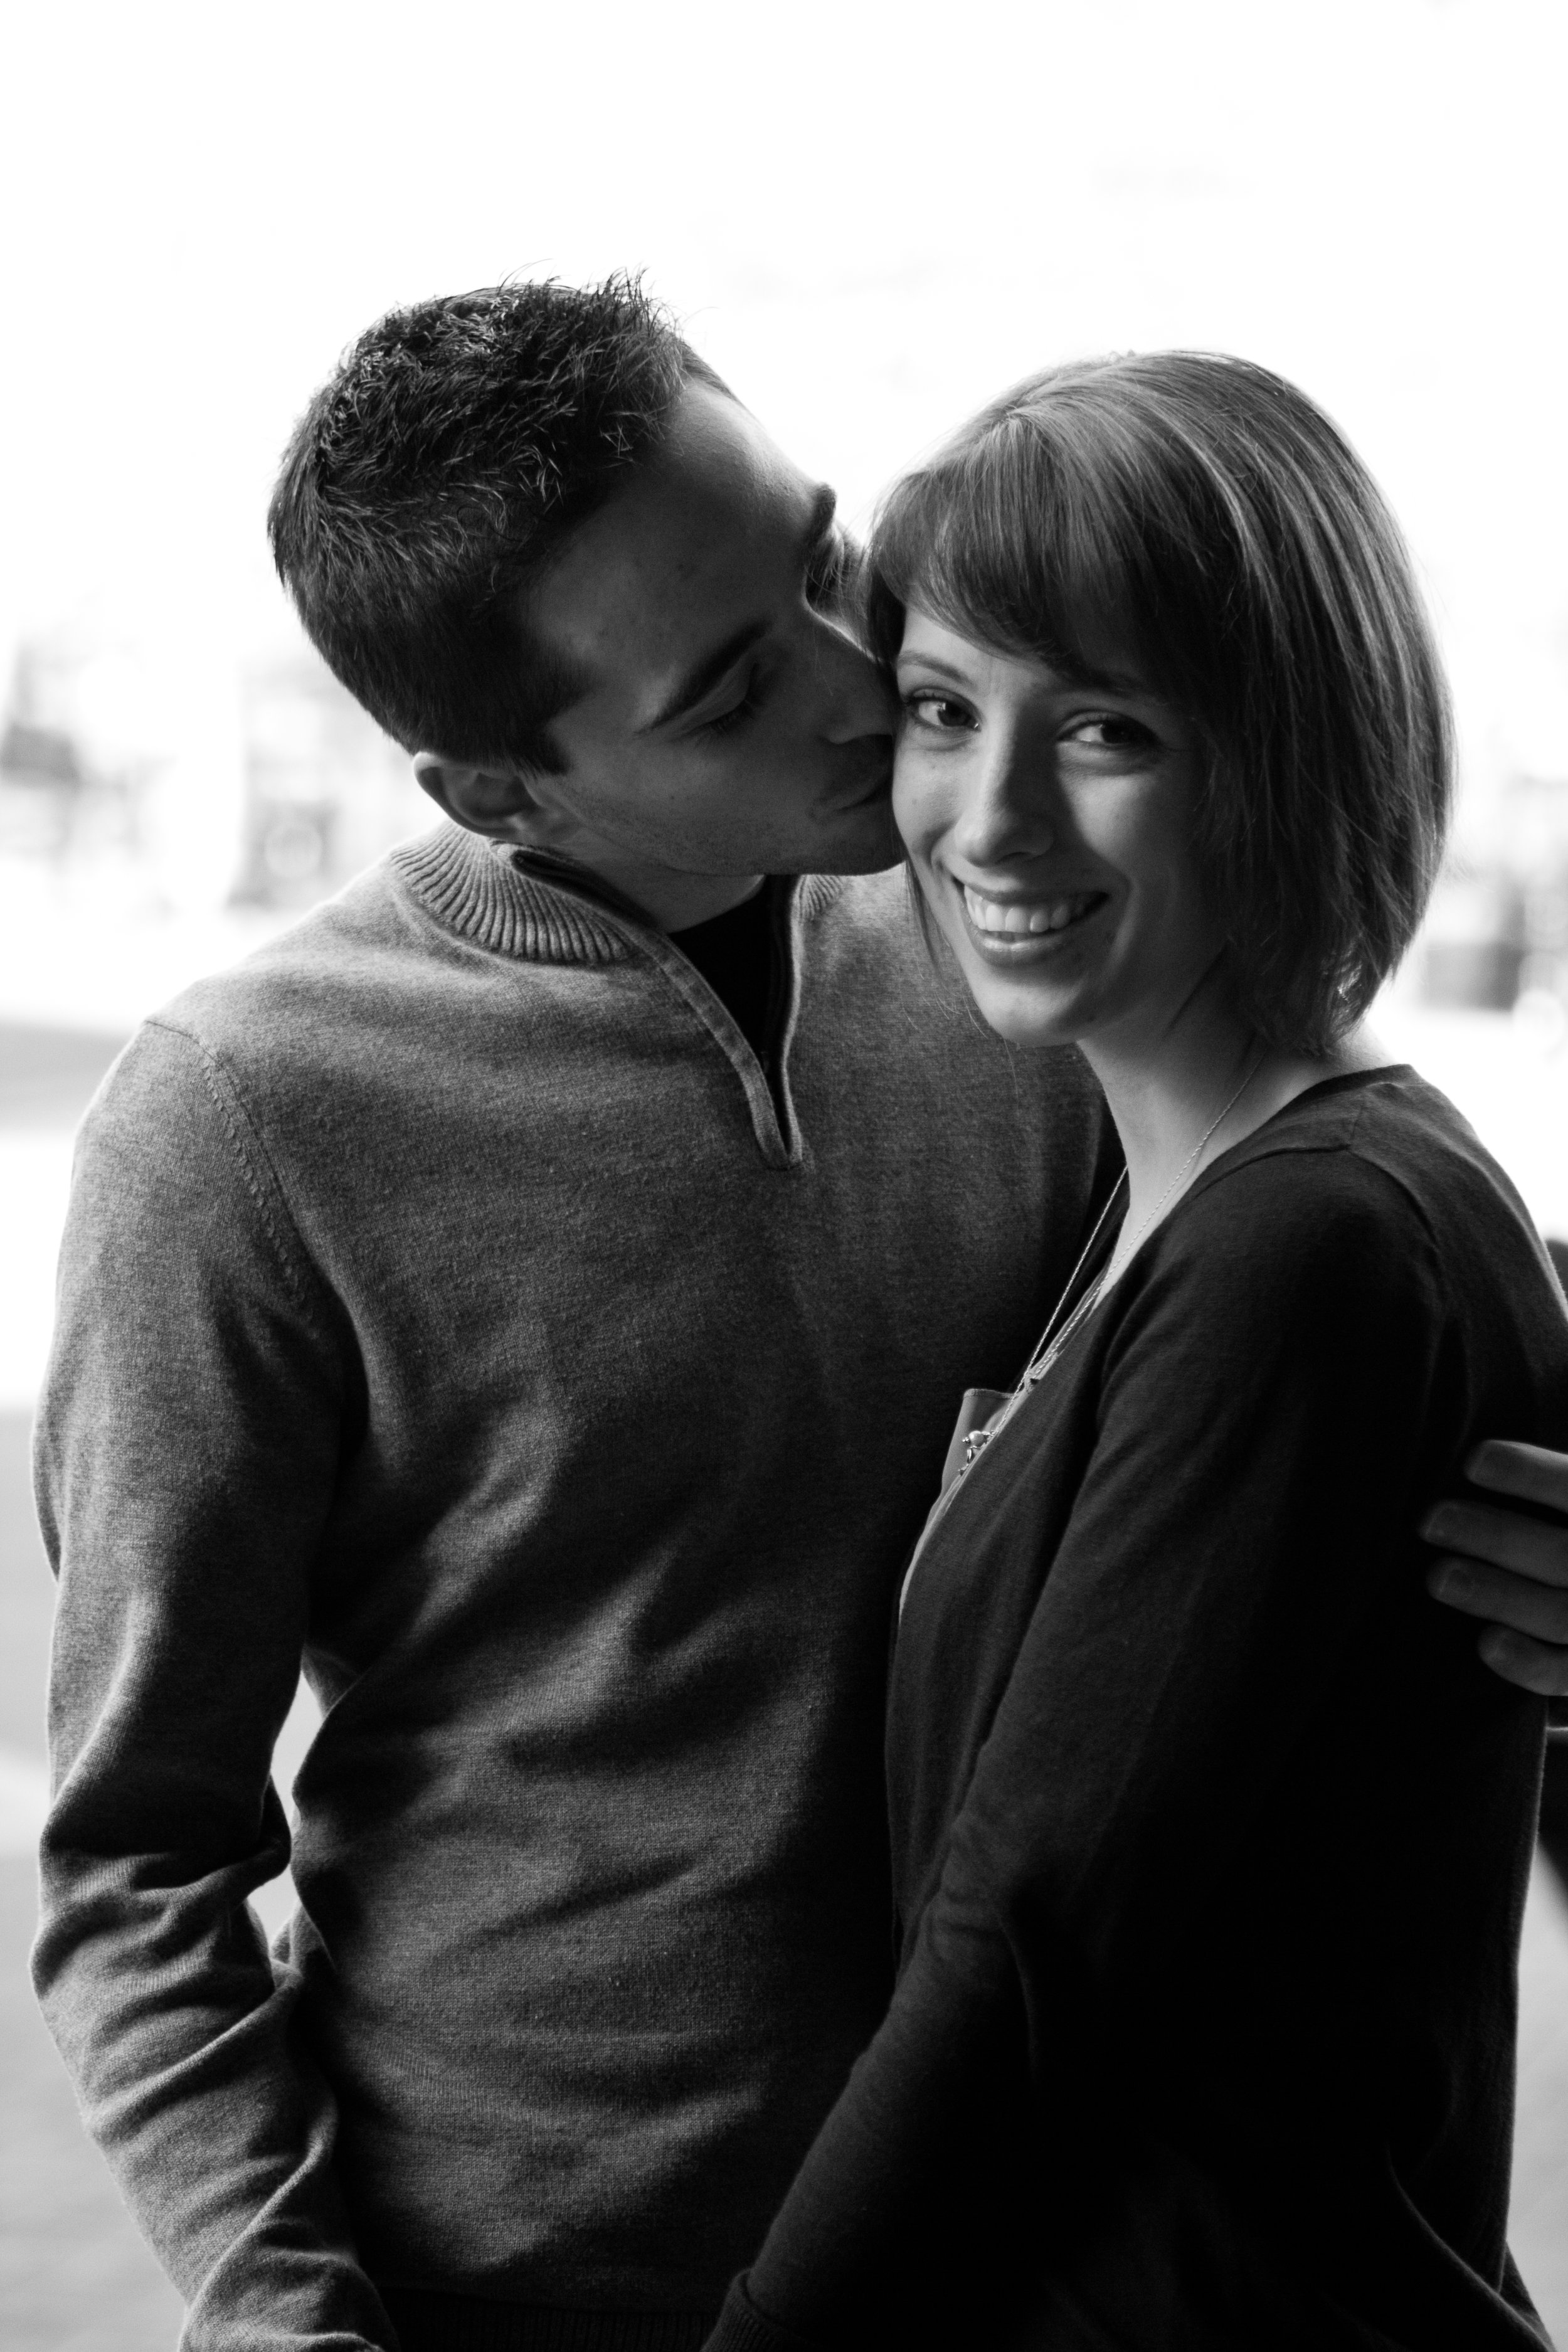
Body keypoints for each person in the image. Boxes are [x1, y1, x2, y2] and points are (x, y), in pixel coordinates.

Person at [28, 283, 1568, 2352]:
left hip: (1010, 2263)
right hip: (522, 2297)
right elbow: (134, 1862)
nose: (873, 680)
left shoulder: (1022, 938)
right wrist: (288, 2314)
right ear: (498, 793)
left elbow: (1365, 1279)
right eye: (737, 684)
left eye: (824, 559)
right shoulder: (241, 1125)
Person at [702, 354, 1568, 2352]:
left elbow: (1027, 1957)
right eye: (939, 711)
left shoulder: (1310, 1244)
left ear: (1284, 750)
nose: (987, 817)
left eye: (1102, 727)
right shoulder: (1186, 1200)